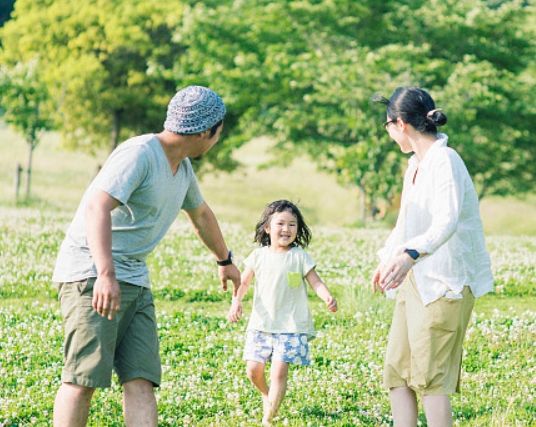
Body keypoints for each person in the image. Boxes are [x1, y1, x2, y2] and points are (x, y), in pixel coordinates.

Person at [52, 85, 241, 427]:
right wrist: (106, 273)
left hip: (135, 280)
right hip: (92, 274)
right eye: (218, 133)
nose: (217, 140)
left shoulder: (181, 168)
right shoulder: (139, 153)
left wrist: (224, 260)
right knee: (82, 379)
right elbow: (97, 205)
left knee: (140, 379)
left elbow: (200, 214)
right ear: (204, 132)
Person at [371, 86, 494, 427]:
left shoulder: (445, 160)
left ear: (400, 125)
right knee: (397, 373)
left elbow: (446, 220)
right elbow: (405, 223)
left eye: (387, 126)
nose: (388, 133)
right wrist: (389, 258)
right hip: (416, 281)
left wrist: (410, 254)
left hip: (444, 283)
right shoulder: (415, 165)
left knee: (431, 380)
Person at [227, 199, 338, 426]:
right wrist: (236, 301)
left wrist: (326, 296)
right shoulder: (258, 256)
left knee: (279, 371)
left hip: (290, 325)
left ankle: (269, 416)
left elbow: (315, 282)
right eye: (280, 224)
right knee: (253, 370)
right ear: (267, 228)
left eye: (292, 224)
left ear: (298, 229)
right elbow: (244, 282)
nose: (286, 229)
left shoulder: (299, 256)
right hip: (261, 323)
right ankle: (266, 394)